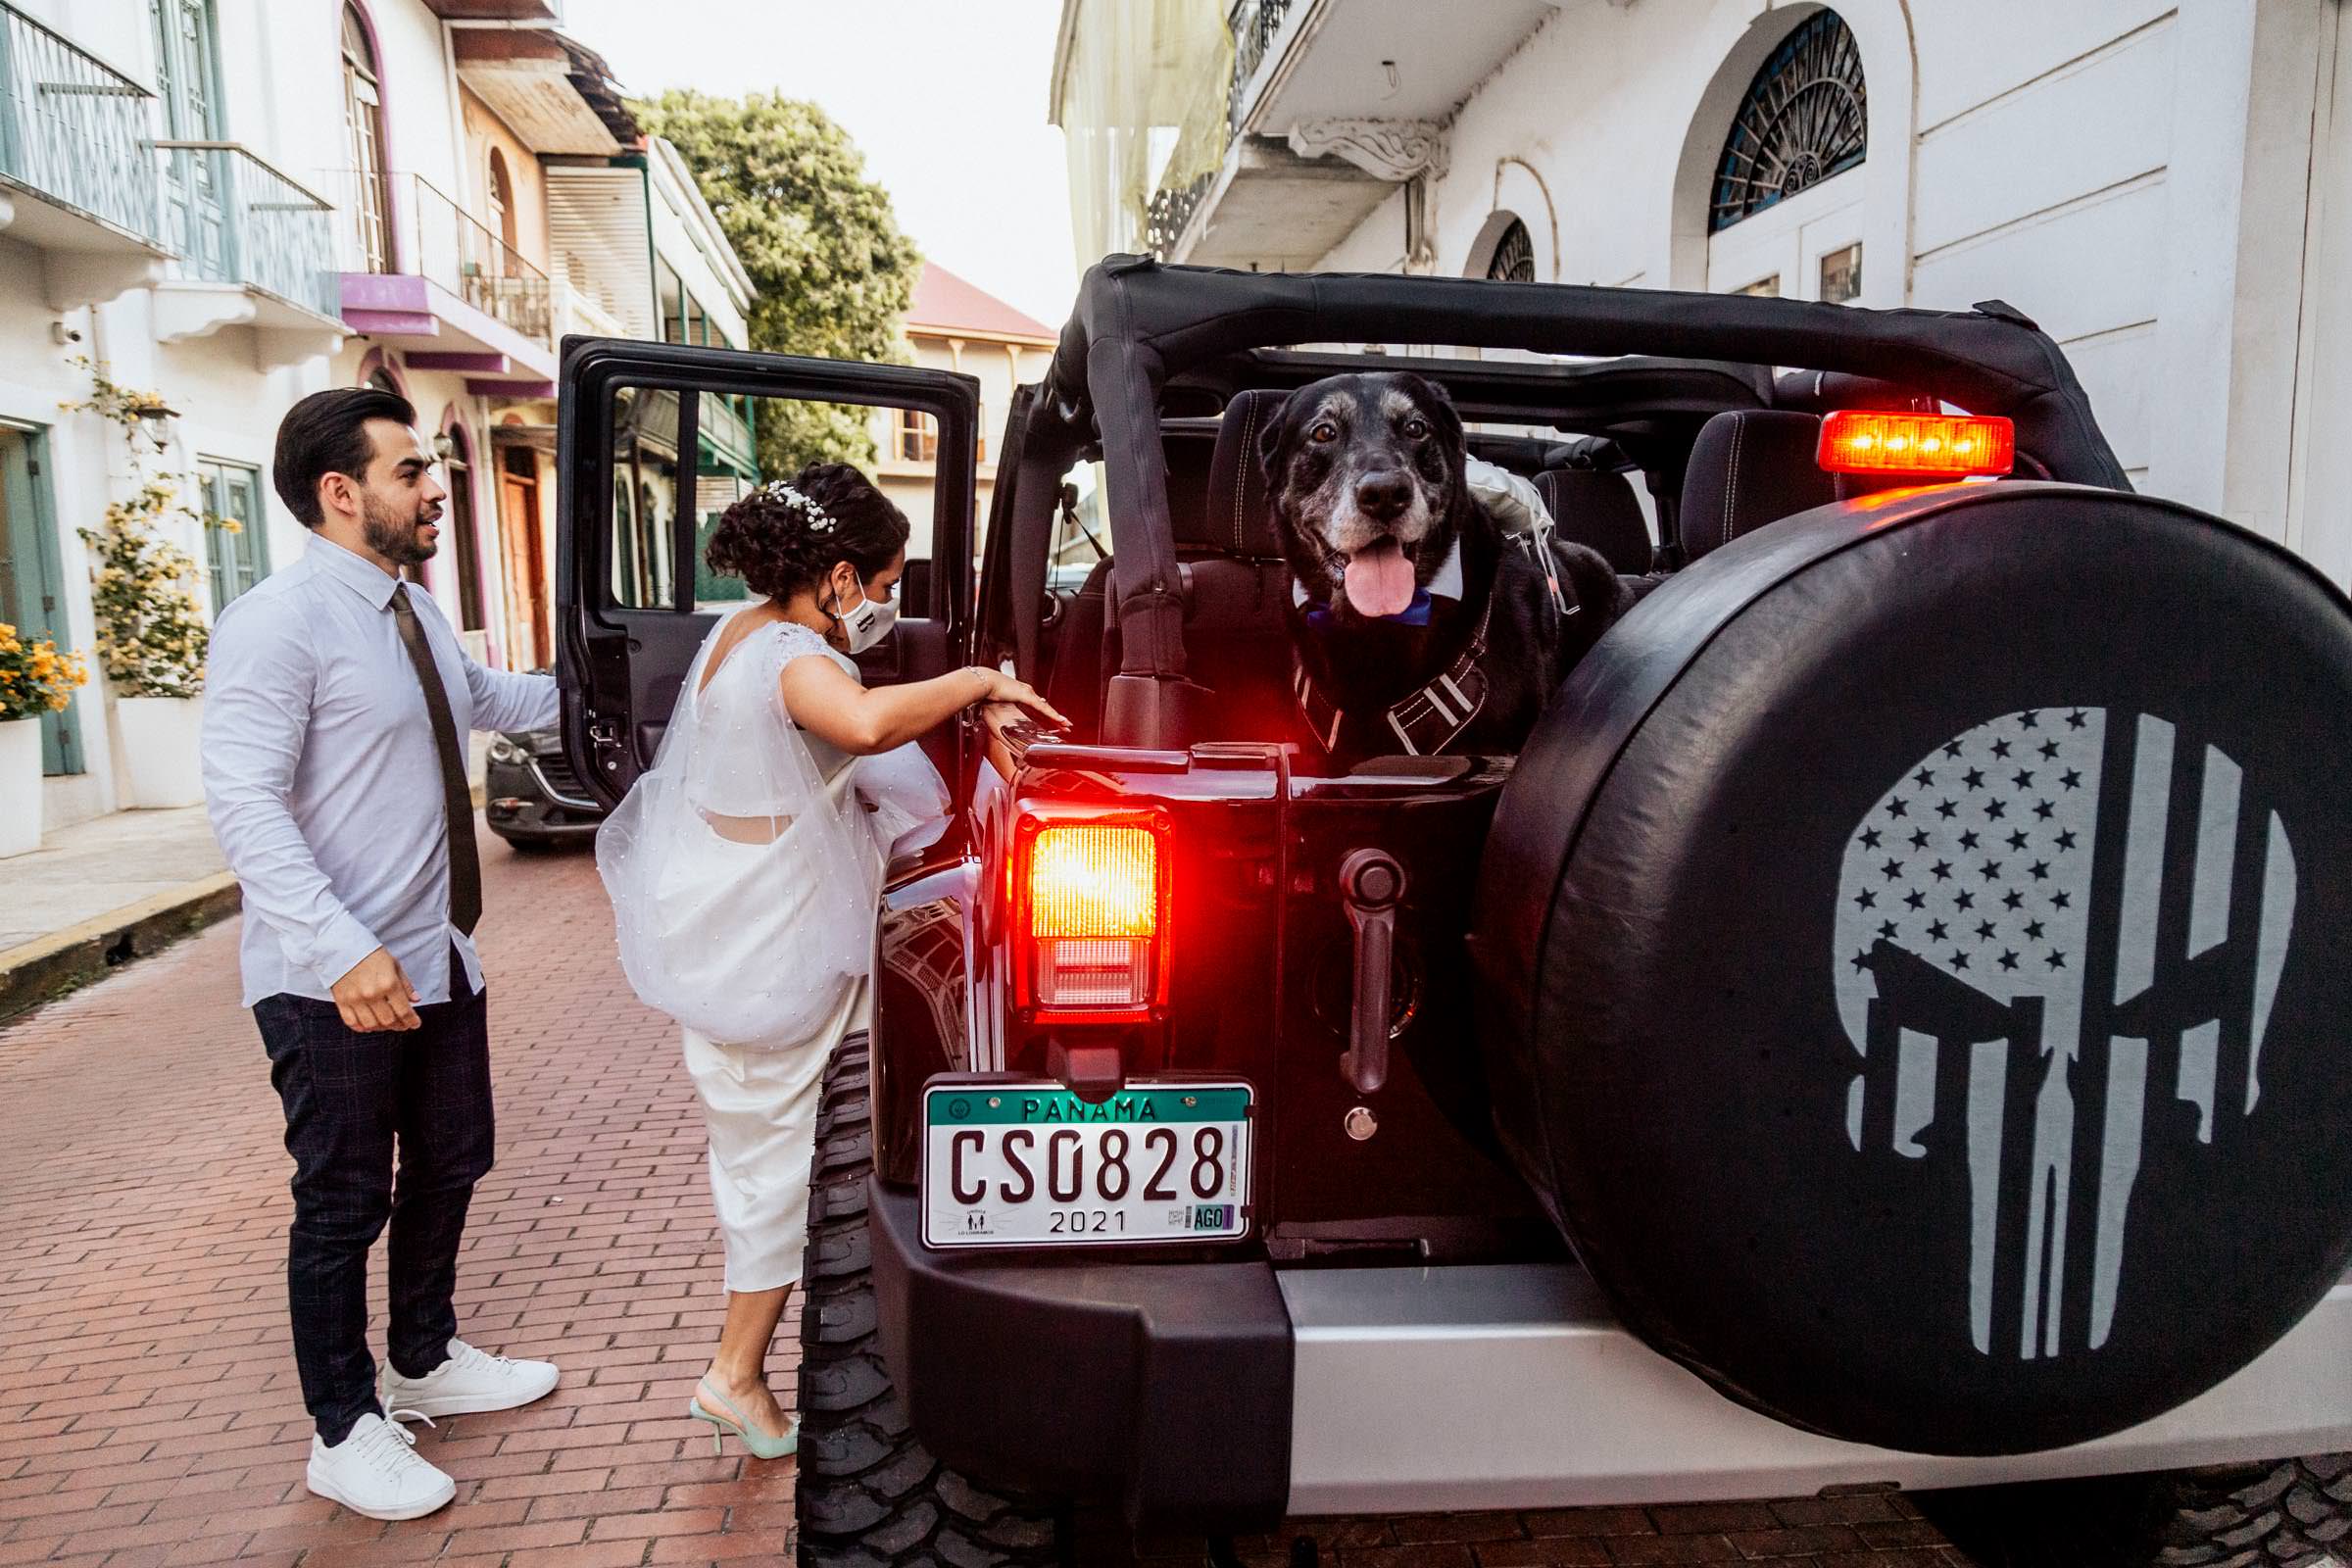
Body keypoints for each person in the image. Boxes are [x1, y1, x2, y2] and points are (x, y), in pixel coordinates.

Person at [596, 464, 1064, 1456]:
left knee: (779, 1147)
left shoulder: (740, 629)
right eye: (887, 587)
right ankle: (734, 1376)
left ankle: (818, 1329)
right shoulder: (794, 656)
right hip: (769, 949)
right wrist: (977, 681)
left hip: (733, 924)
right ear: (842, 576)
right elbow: (859, 724)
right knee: (773, 1161)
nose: (888, 609)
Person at [203, 388, 562, 1522]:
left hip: (435, 955)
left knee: (453, 1160)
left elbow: (503, 701)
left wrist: (695, 674)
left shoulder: (413, 614)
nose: (437, 485)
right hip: (333, 980)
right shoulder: (278, 621)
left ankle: (423, 1353)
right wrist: (342, 947)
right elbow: (244, 803)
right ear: (341, 492)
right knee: (344, 1200)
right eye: (413, 470)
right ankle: (345, 1428)